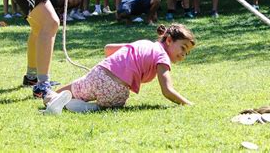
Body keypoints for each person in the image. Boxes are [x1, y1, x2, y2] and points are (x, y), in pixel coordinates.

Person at [53, 23, 195, 112]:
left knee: (58, 94)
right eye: (183, 48)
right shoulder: (162, 57)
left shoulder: (144, 43)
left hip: (98, 74)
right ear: (169, 40)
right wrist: (188, 104)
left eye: (187, 53)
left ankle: (49, 98)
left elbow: (108, 49)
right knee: (110, 105)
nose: (183, 55)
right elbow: (167, 91)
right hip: (116, 89)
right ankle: (91, 107)